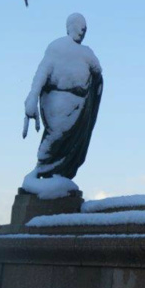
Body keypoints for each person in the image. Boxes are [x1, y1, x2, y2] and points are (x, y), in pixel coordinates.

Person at [23, 13, 103, 182]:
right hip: (57, 105)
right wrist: (32, 97)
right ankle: (41, 171)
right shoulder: (57, 48)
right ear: (69, 27)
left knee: (70, 146)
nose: (82, 31)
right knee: (54, 139)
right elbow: (42, 74)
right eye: (79, 26)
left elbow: (98, 74)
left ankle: (59, 176)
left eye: (85, 28)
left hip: (79, 107)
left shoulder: (87, 54)